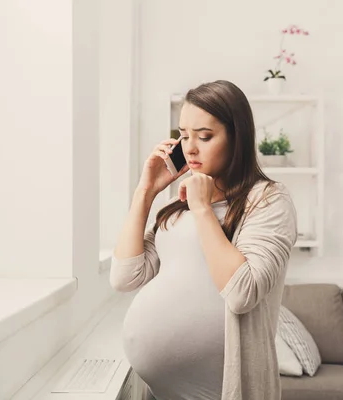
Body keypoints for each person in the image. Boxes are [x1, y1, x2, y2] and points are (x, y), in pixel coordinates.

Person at [110, 80, 298, 400]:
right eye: (183, 135)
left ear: (237, 137)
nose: (190, 148)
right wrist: (146, 192)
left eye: (204, 136)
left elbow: (242, 292)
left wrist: (202, 208)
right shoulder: (179, 207)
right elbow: (125, 277)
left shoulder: (268, 200)